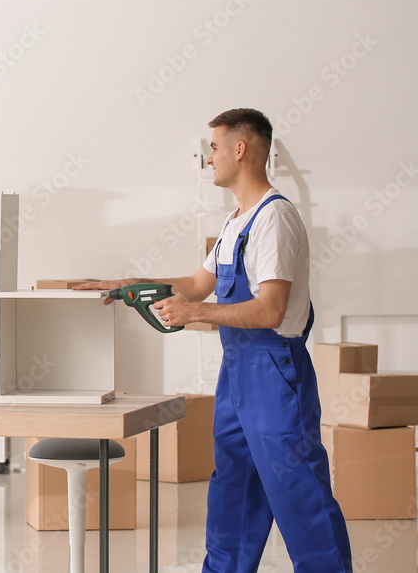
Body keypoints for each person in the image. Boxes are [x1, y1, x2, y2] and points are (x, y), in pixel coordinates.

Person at [76, 109, 351, 572]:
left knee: (297, 489)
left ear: (240, 150)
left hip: (274, 373)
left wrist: (194, 313)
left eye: (215, 148)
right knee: (234, 490)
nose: (209, 159)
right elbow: (194, 284)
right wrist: (124, 285)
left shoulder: (274, 218)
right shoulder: (234, 222)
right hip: (238, 374)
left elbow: (271, 309)